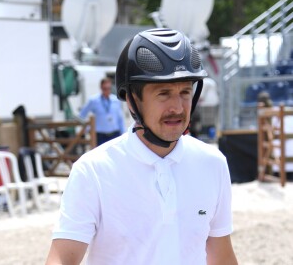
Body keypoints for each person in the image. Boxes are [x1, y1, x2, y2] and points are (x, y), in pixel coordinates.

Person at [46, 28, 238, 265]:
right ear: (132, 100)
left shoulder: (212, 164)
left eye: (185, 92)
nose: (177, 107)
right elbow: (61, 260)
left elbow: (222, 256)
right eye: (163, 93)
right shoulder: (93, 171)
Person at [78, 77, 125, 145]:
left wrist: (123, 133)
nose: (107, 91)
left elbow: (120, 118)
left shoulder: (116, 100)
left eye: (108, 88)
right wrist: (88, 128)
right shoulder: (93, 100)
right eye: (104, 89)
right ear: (101, 88)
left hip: (115, 134)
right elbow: (81, 115)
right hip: (100, 136)